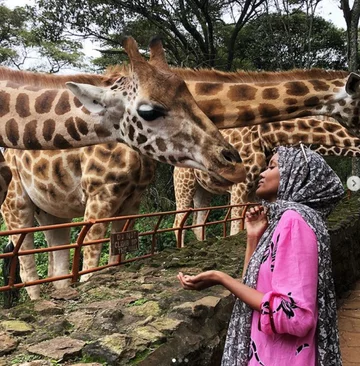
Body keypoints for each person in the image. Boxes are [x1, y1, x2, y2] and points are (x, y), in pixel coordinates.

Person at [177, 145, 344, 366]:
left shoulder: (294, 221)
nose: (263, 173)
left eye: (272, 166)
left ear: (296, 174)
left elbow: (296, 316)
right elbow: (253, 290)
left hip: (279, 357)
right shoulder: (285, 220)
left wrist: (221, 278)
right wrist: (253, 237)